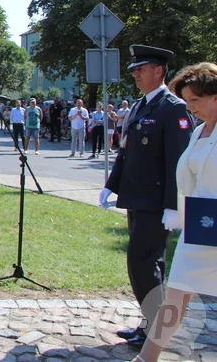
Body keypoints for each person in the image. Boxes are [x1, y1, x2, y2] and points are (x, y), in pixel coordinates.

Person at [98, 45, 192, 348]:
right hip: (136, 198)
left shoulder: (173, 107)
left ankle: (155, 328)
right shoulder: (141, 105)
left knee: (140, 263)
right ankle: (152, 325)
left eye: (142, 68)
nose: (136, 73)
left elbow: (178, 162)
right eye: (134, 69)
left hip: (156, 203)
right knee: (151, 266)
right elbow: (126, 152)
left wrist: (173, 207)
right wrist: (111, 185)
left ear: (159, 70)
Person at [133, 62, 217, 362]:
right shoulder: (198, 131)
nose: (189, 106)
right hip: (200, 227)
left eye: (195, 100)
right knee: (175, 297)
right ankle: (146, 358)